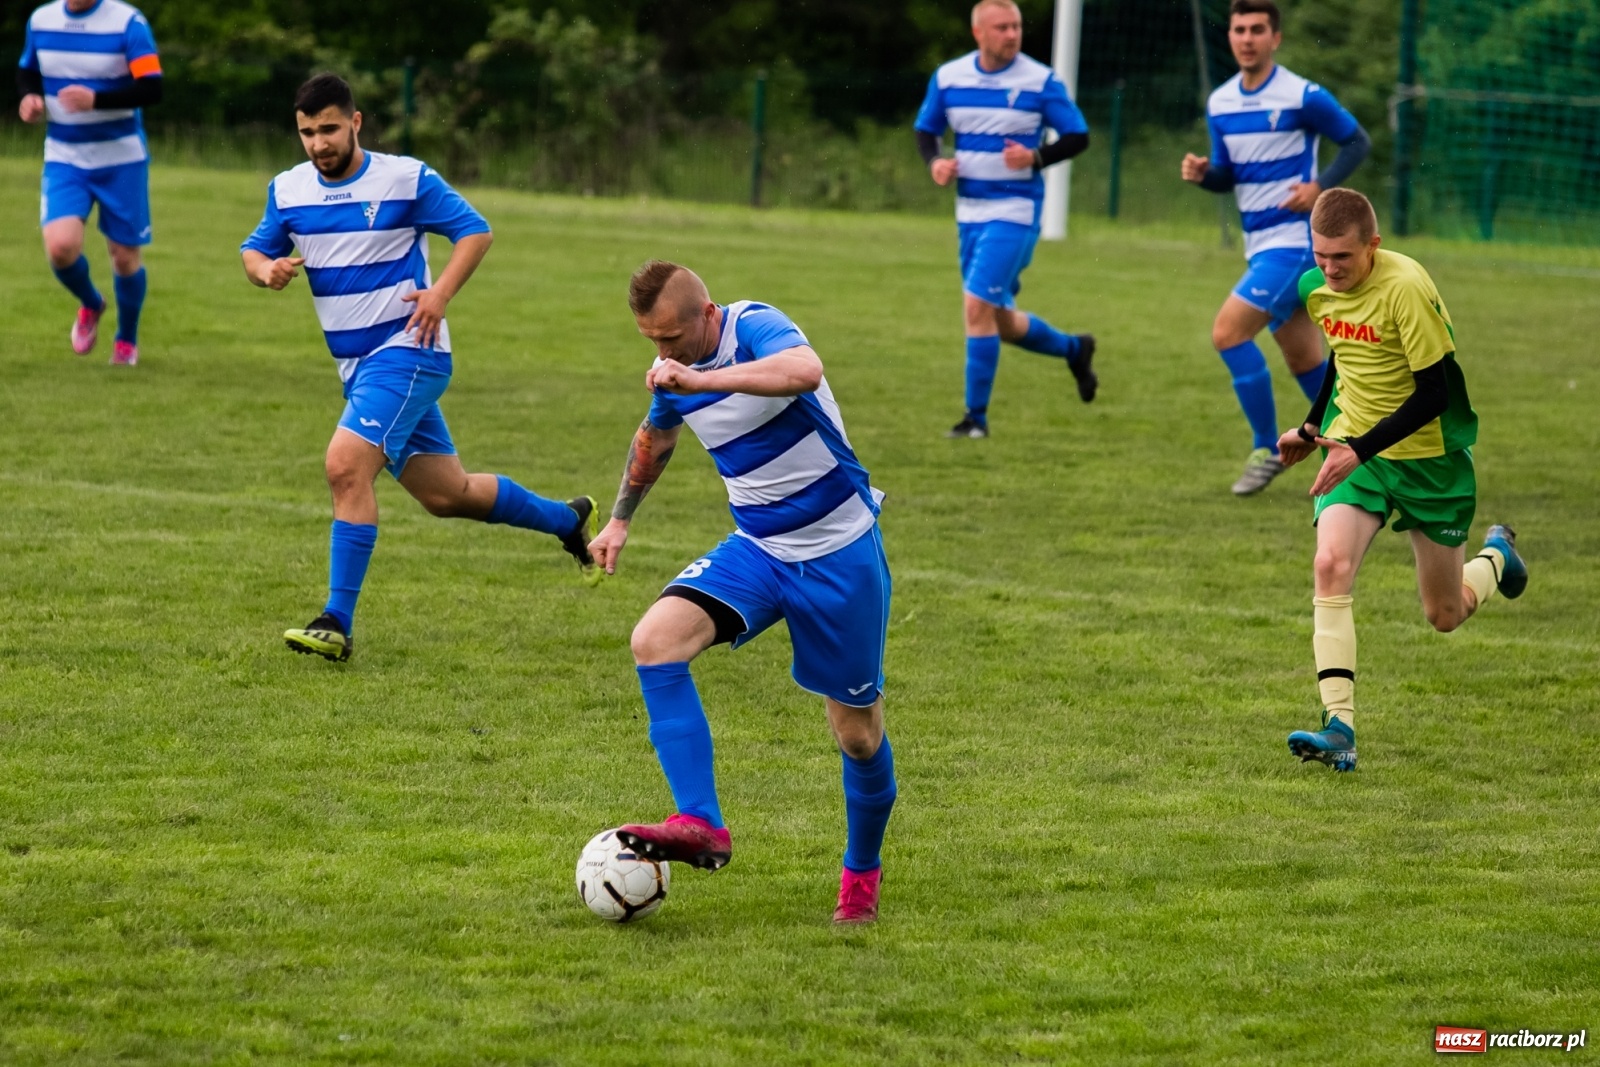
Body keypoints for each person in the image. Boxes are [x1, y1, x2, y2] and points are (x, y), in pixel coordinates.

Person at [240, 74, 598, 664]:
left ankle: (336, 621)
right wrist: (264, 271)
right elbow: (253, 249)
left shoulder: (405, 178)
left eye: (329, 129)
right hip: (358, 370)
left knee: (345, 467)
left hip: (409, 352)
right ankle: (566, 521)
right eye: (306, 132)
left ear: (356, 122)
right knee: (446, 494)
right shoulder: (288, 190)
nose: (317, 143)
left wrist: (440, 295)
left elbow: (474, 232)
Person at [589, 260, 897, 925]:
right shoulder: (675, 372)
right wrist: (620, 518)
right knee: (655, 641)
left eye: (672, 337)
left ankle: (861, 876)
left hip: (837, 553)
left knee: (858, 736)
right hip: (757, 550)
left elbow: (803, 371)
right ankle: (701, 822)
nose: (663, 354)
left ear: (706, 313)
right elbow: (655, 440)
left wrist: (699, 377)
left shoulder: (754, 325)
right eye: (651, 342)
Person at [1276, 189, 1527, 772]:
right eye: (1321, 256)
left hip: (1428, 459)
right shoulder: (1315, 288)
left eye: (1343, 257)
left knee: (1445, 613)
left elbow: (1435, 395)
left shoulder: (1406, 288)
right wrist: (1313, 427)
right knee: (1329, 565)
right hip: (1354, 448)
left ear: (1374, 245)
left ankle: (1496, 558)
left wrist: (1360, 450)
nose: (1330, 270)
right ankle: (1340, 724)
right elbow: (1342, 352)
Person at [1181, 0, 1372, 495]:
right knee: (1306, 361)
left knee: (1227, 333)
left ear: (1275, 38)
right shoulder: (1221, 102)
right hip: (1260, 245)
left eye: (1257, 30)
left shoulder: (1301, 95)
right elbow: (1229, 176)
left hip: (1293, 246)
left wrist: (1321, 188)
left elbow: (1356, 141)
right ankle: (1369, 453)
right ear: (1231, 37)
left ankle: (1267, 448)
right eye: (1239, 29)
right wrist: (1206, 176)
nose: (1246, 38)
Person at [913, 0, 1097, 439]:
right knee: (998, 320)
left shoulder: (1039, 80)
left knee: (976, 305)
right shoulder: (950, 77)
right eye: (1002, 28)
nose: (1012, 34)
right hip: (969, 213)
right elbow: (926, 130)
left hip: (1016, 211)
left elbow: (1078, 135)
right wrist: (935, 162)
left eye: (1016, 26)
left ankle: (975, 419)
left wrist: (1035, 156)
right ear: (979, 32)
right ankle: (1075, 349)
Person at [17, 0, 163, 366]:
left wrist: (96, 99)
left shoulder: (128, 23)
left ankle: (126, 340)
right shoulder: (41, 19)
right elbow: (27, 70)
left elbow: (151, 87)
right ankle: (92, 303)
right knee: (60, 247)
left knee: (125, 256)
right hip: (65, 157)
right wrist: (29, 97)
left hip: (121, 160)